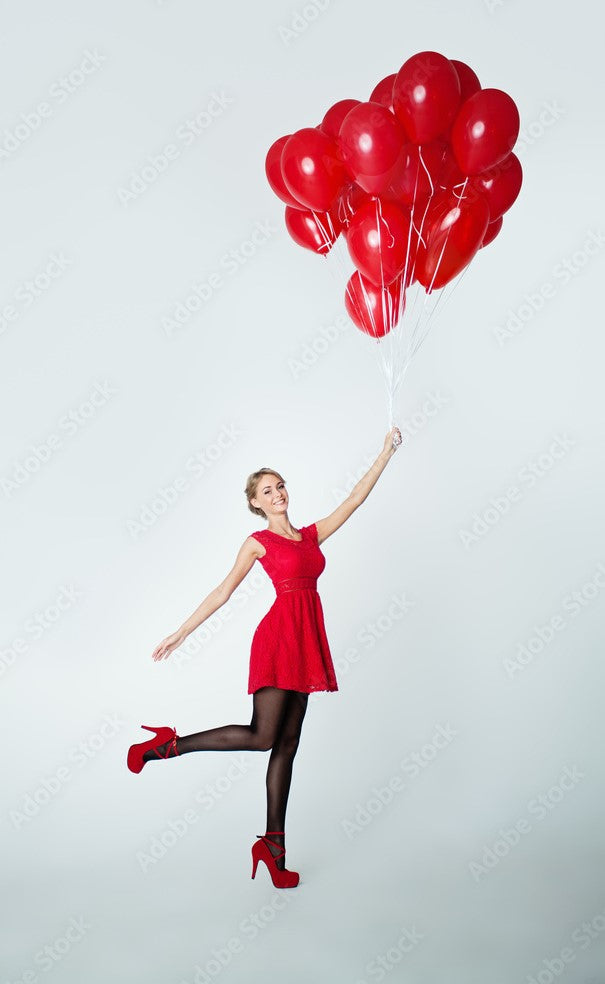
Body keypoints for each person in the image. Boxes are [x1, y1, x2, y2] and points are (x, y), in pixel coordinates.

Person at [127, 425, 402, 887]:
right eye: (267, 491)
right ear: (255, 502)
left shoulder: (310, 536)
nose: (278, 494)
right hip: (278, 639)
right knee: (262, 736)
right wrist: (180, 632)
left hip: (307, 638)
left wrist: (386, 452)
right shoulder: (259, 541)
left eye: (280, 486)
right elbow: (222, 592)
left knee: (288, 745)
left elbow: (355, 499)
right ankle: (163, 747)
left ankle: (273, 847)